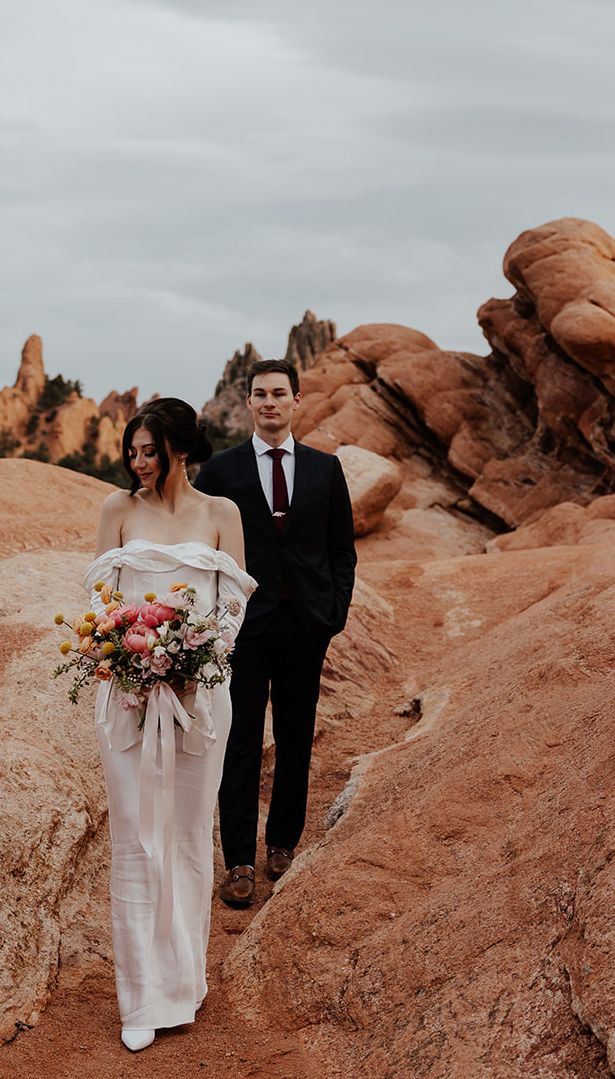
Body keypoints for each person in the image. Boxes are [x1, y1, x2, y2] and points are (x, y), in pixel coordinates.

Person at [87, 397, 256, 1052]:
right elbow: (100, 601)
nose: (138, 462)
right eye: (131, 451)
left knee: (185, 834)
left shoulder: (222, 514)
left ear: (180, 450)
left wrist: (197, 660)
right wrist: (129, 654)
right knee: (134, 836)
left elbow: (234, 603)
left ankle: (181, 985)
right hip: (129, 699)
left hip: (202, 698)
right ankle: (139, 996)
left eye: (149, 450)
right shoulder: (118, 511)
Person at [193, 358, 356, 908]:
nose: (269, 402)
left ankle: (282, 843)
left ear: (297, 400)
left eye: (279, 393)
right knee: (238, 743)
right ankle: (238, 859)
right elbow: (204, 553)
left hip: (305, 624)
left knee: (294, 738)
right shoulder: (220, 471)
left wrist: (331, 615)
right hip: (242, 627)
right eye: (259, 393)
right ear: (247, 403)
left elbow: (341, 552)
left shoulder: (325, 470)